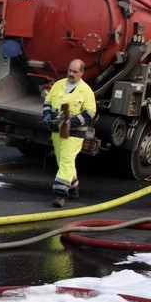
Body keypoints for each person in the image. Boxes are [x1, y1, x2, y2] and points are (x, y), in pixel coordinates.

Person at [40, 59, 96, 207]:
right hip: (56, 130)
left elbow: (90, 112)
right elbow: (48, 102)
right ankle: (73, 187)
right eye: (70, 70)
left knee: (66, 160)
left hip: (74, 133)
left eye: (75, 72)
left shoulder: (86, 91)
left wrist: (72, 122)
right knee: (64, 161)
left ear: (81, 73)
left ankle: (60, 194)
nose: (71, 74)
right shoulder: (58, 85)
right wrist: (45, 115)